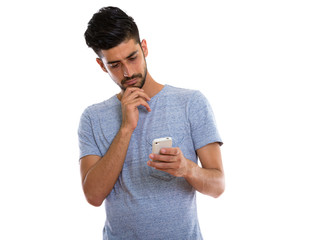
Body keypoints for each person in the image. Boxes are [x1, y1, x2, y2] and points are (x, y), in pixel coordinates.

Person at [78, 6, 225, 239]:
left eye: (132, 58)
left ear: (144, 48)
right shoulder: (93, 117)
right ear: (101, 65)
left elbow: (218, 185)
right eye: (114, 65)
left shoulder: (191, 103)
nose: (127, 72)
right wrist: (126, 128)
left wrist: (186, 168)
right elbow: (94, 196)